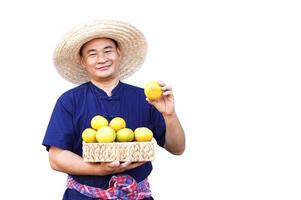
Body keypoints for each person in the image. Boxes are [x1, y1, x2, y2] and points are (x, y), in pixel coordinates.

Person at [42, 20, 185, 200]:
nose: (102, 59)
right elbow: (56, 158)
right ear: (83, 61)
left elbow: (177, 148)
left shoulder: (146, 98)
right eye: (92, 54)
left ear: (119, 53)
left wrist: (169, 114)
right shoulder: (69, 101)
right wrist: (98, 169)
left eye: (107, 50)